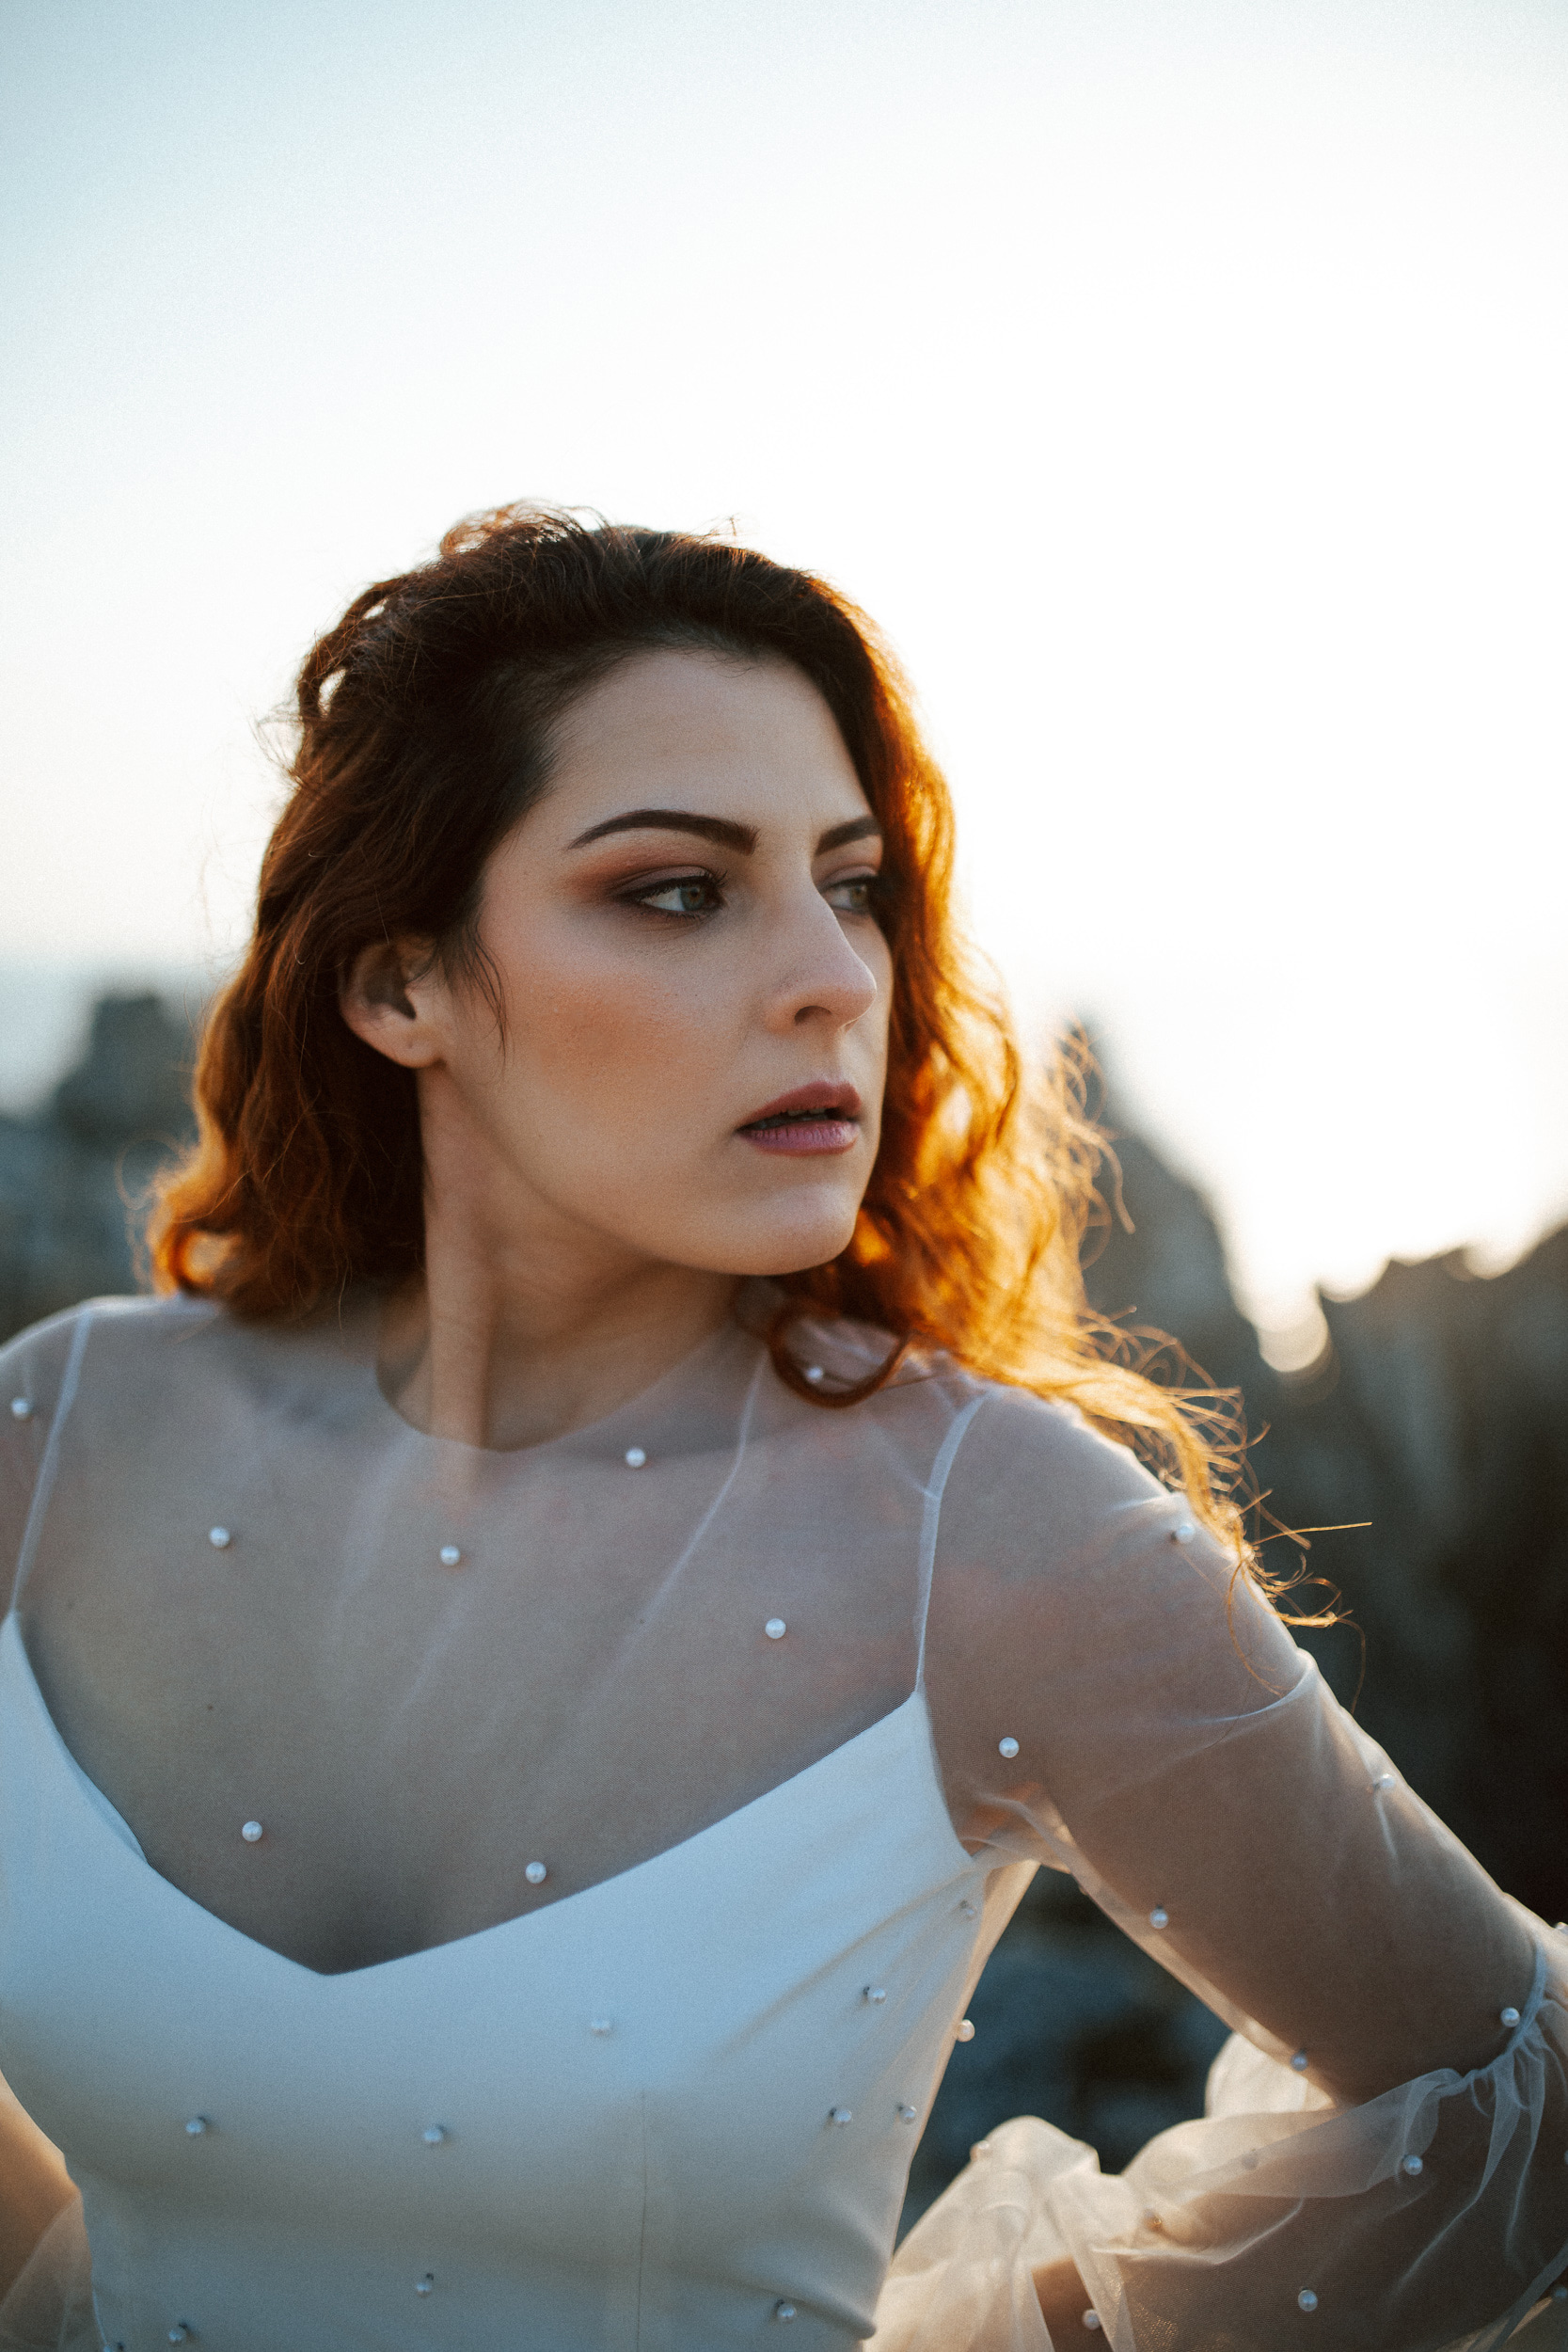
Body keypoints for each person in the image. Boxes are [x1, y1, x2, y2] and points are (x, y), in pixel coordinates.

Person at [0, 506, 1562, 2352]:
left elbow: (1517, 2100)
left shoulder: (1001, 1531)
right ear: (397, 978)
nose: (833, 970)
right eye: (677, 887)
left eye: (856, 884)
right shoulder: (57, 1427)